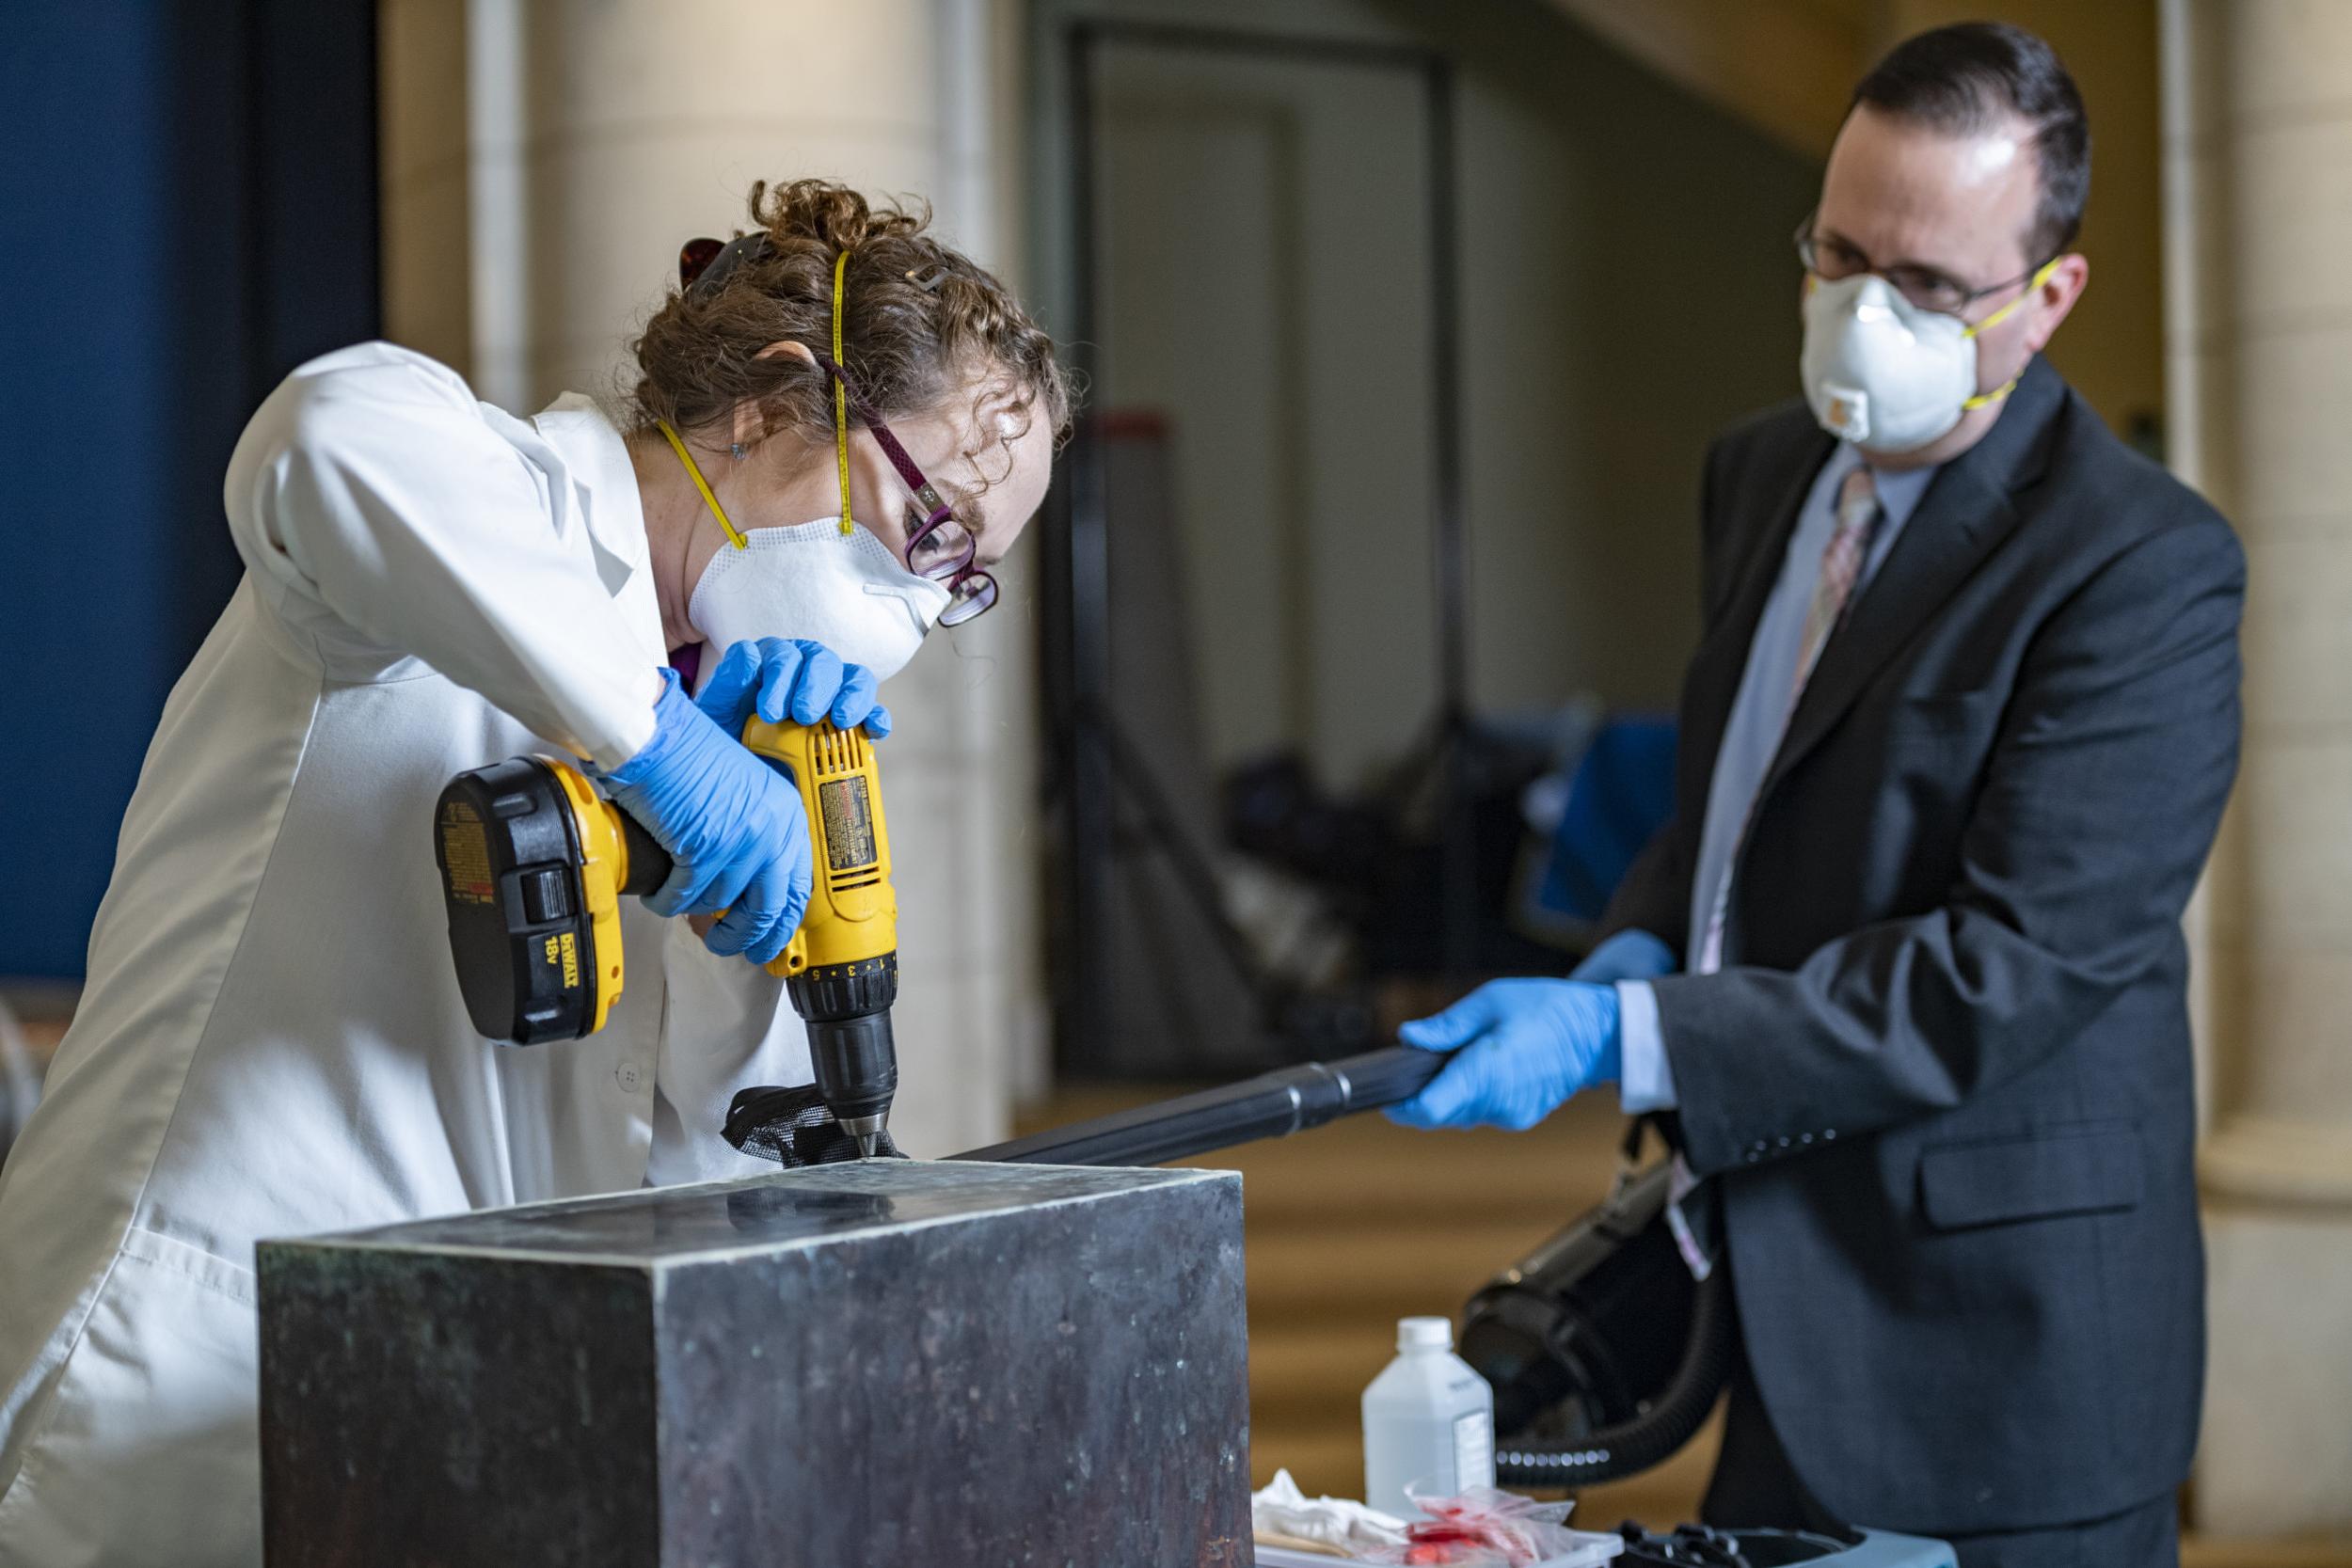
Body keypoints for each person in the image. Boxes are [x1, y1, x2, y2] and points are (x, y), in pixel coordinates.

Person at [0, 179, 1067, 1566]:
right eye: (930, 534)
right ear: (772, 403)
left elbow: (674, 1152)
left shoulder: (750, 718)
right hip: (179, 1366)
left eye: (964, 582)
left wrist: (735, 927)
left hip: (436, 1405)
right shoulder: (492, 498)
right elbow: (322, 440)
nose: (924, 606)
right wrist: (662, 750)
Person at [1391, 25, 2238, 1567]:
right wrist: (1643, 939)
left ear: (2048, 301)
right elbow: (1745, 791)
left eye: (1925, 285)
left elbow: (2011, 970)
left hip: (2003, 1353)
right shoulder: (1764, 471)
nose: (1861, 313)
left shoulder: (2140, 567)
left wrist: (1626, 1035)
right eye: (1836, 252)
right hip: (1772, 1281)